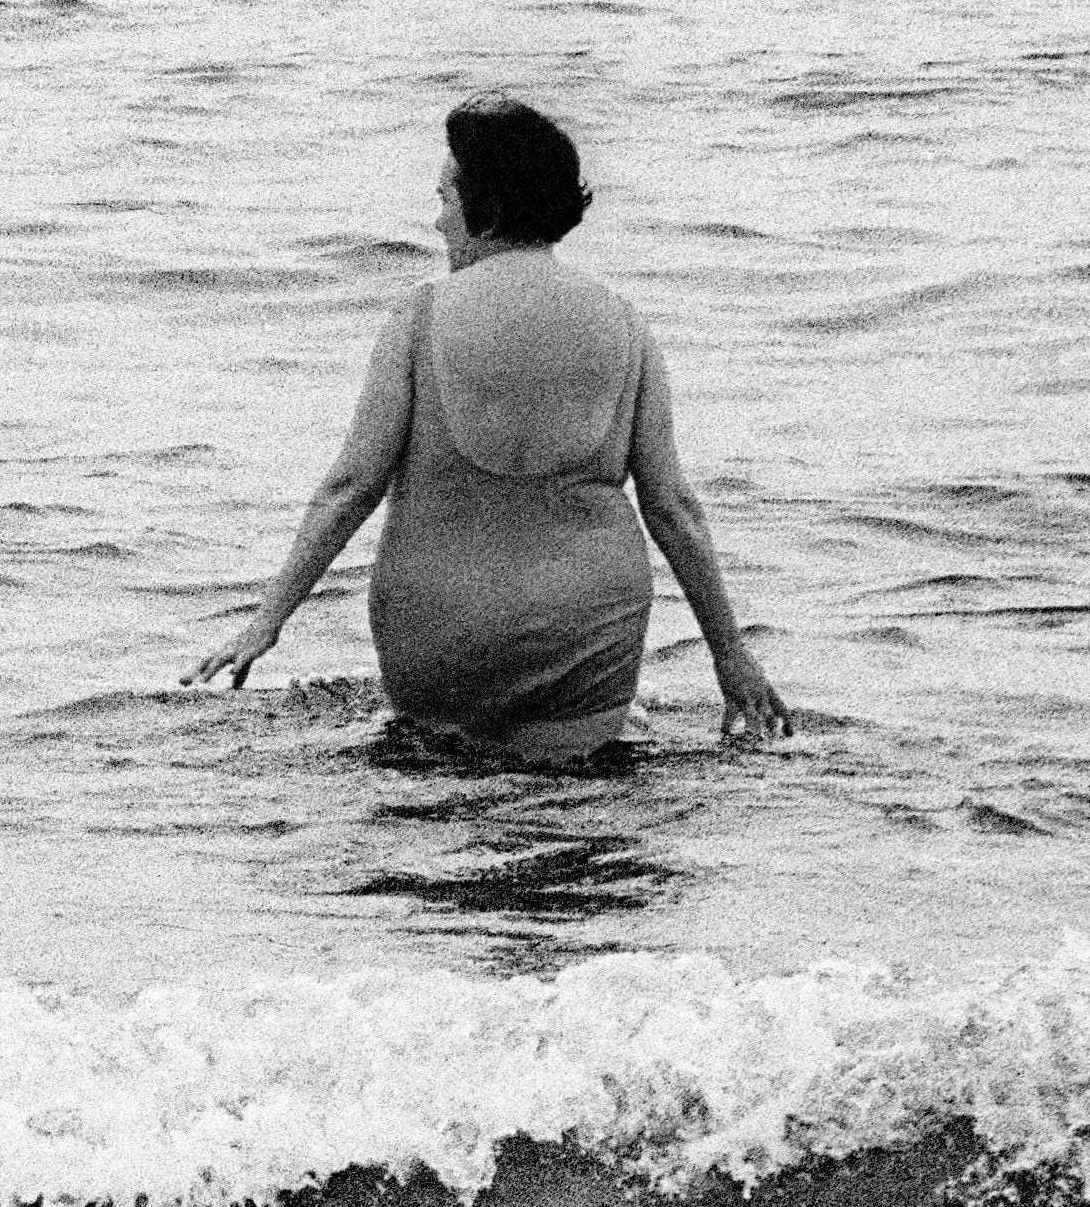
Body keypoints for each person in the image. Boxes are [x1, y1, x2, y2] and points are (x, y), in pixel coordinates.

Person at [185, 96, 794, 757]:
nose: (438, 219)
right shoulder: (625, 324)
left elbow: (351, 486)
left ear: (487, 206)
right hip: (585, 641)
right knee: (576, 812)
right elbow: (672, 507)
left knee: (444, 793)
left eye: (447, 197)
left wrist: (266, 623)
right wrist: (729, 659)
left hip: (446, 642)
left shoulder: (420, 317)